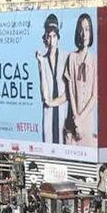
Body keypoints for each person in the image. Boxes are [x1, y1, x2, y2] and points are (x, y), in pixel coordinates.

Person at [35, 15, 66, 146]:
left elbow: (68, 92)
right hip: (48, 113)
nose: (51, 40)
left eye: (54, 36)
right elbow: (45, 95)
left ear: (58, 38)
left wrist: (53, 103)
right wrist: (41, 64)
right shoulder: (43, 60)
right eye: (49, 36)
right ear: (45, 38)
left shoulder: (65, 57)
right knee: (48, 144)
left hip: (62, 111)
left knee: (63, 143)